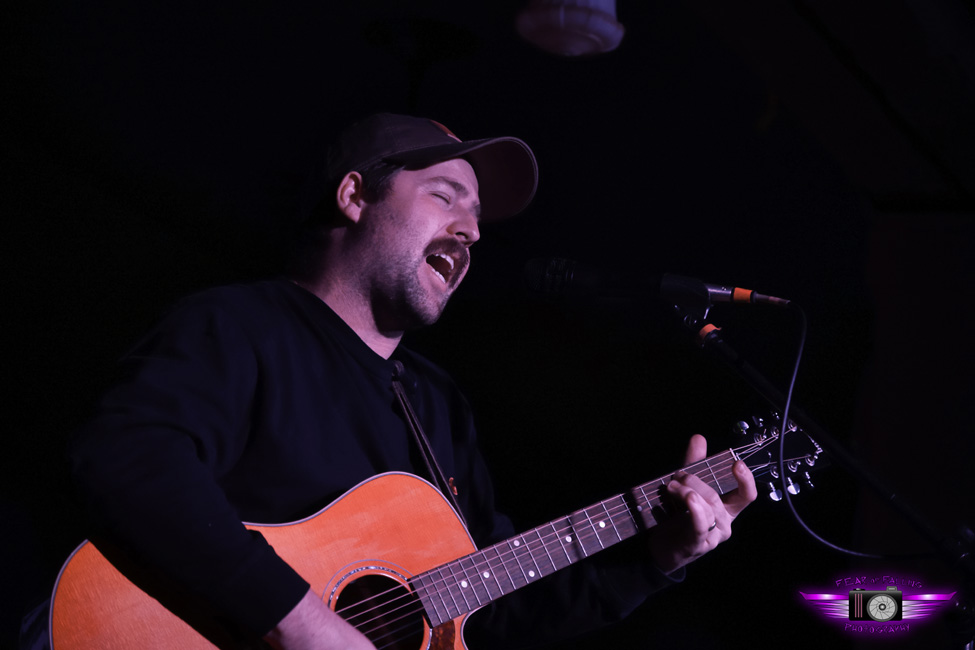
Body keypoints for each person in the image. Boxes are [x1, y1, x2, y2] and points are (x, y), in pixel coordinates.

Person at [59, 113, 757, 649]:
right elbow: (128, 460)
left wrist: (656, 557)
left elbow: (493, 608)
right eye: (446, 197)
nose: (471, 233)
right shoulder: (242, 324)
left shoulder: (436, 406)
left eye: (478, 219)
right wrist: (300, 623)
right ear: (355, 194)